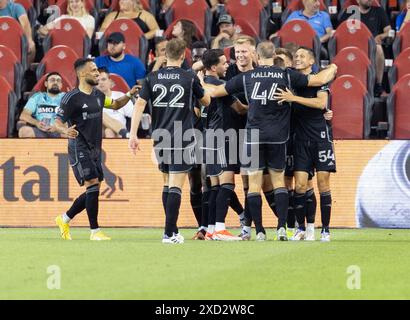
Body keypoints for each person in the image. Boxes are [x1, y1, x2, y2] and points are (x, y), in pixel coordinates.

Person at [206, 41, 338, 241]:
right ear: (274, 55)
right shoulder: (286, 74)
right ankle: (281, 228)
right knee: (279, 182)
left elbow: (215, 92)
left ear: (257, 57)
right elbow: (318, 80)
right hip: (278, 136)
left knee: (254, 184)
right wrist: (334, 67)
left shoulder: (247, 76)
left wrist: (199, 80)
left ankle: (259, 231)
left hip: (254, 137)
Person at [129, 38, 211, 244]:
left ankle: (172, 230)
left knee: (167, 183)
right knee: (176, 184)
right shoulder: (189, 77)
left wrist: (133, 134)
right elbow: (207, 101)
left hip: (159, 136)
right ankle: (169, 233)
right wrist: (200, 82)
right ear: (184, 55)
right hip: (182, 135)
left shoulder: (152, 77)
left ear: (165, 55)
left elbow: (139, 105)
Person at [54, 58, 139, 241]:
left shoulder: (97, 95)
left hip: (95, 148)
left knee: (93, 188)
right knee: (92, 183)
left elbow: (115, 104)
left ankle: (64, 218)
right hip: (79, 146)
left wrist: (129, 94)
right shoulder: (71, 98)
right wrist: (65, 130)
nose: (97, 74)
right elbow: (57, 122)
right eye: (93, 70)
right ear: (82, 73)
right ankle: (95, 231)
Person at [273, 47, 335, 242]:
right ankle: (302, 228)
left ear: (311, 61)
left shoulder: (319, 80)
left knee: (323, 184)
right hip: (300, 140)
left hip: (320, 138)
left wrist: (293, 98)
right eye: (296, 56)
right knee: (300, 186)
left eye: (302, 56)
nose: (298, 58)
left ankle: (325, 229)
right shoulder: (291, 81)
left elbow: (320, 104)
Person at [201, 49, 248, 241]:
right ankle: (220, 228)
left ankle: (211, 228)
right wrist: (261, 107)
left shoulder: (199, 84)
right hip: (223, 135)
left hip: (207, 136)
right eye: (223, 62)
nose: (227, 65)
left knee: (214, 186)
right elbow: (240, 108)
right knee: (227, 183)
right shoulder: (221, 86)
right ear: (214, 67)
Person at [339, 0, 391, 97]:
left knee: (379, 49)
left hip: (372, 45)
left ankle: (378, 86)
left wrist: (380, 36)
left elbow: (389, 31)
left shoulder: (379, 11)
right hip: (354, 45)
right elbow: (340, 31)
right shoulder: (351, 11)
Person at [18, 72, 66, 138]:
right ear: (46, 84)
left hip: (60, 132)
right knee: (24, 131)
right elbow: (23, 115)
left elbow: (75, 118)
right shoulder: (37, 97)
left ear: (61, 85)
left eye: (58, 81)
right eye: (52, 80)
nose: (55, 82)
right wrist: (36, 123)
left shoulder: (67, 98)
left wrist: (58, 128)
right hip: (41, 131)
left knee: (74, 134)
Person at [96, 68, 135, 138]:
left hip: (119, 132)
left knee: (109, 131)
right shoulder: (90, 99)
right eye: (97, 81)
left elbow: (134, 114)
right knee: (101, 114)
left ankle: (124, 134)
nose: (100, 83)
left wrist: (144, 116)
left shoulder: (120, 96)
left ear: (110, 82)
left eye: (103, 79)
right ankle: (125, 134)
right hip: (99, 132)